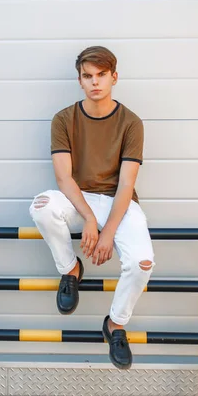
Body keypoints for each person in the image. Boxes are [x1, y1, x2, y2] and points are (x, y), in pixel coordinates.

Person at [29, 46, 155, 369]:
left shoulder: (131, 123)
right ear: (80, 80)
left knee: (143, 262)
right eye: (88, 76)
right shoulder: (64, 119)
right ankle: (71, 269)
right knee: (41, 206)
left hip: (119, 202)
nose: (95, 82)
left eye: (101, 75)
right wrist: (87, 218)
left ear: (114, 77)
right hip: (78, 197)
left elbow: (126, 185)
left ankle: (115, 324)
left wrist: (107, 232)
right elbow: (63, 177)